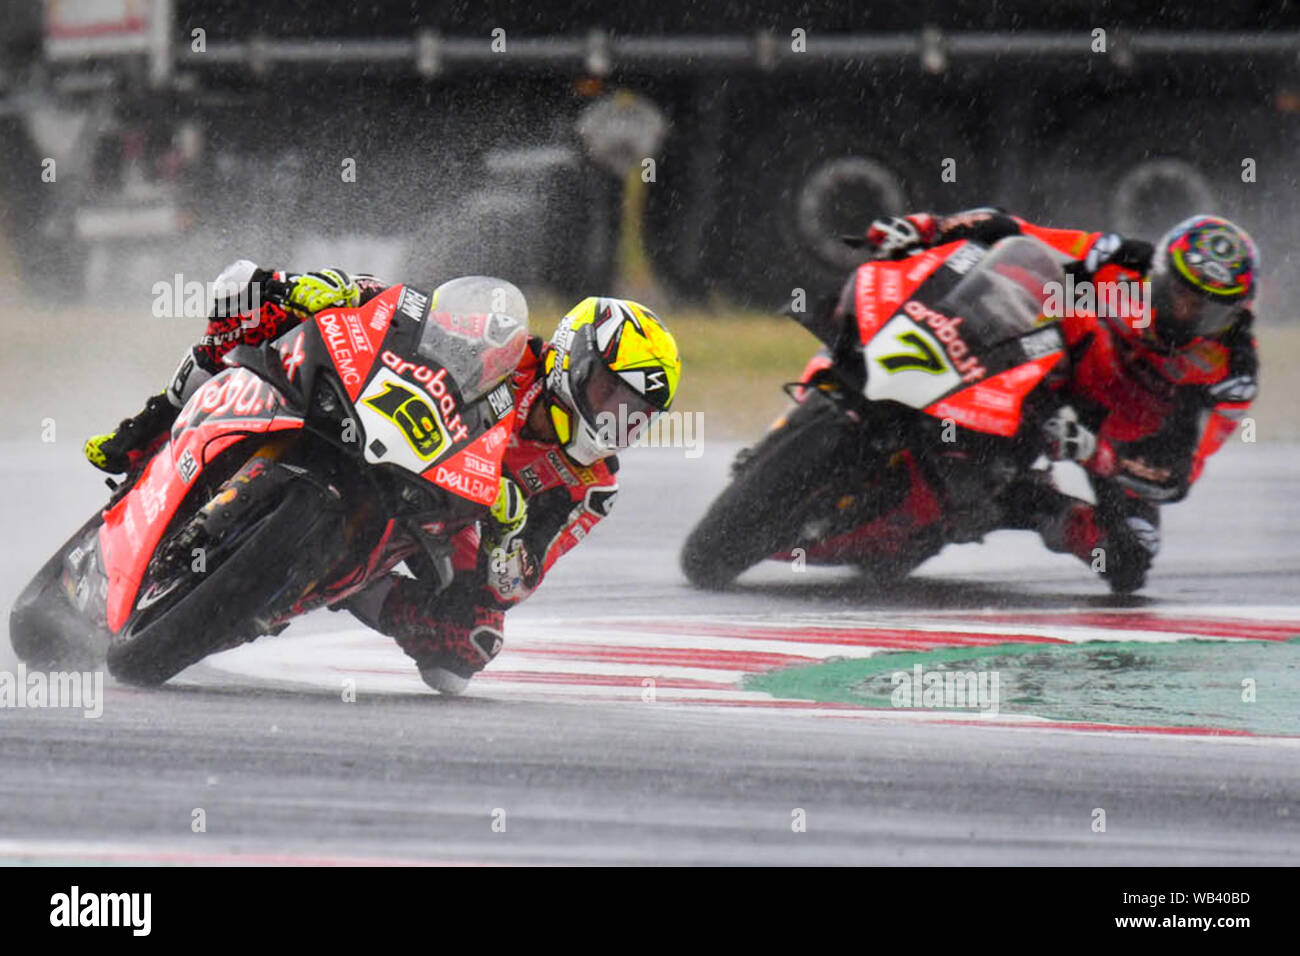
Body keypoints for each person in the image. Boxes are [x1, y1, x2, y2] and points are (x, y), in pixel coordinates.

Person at [84, 260, 682, 690]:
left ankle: (335, 583)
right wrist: (340, 290)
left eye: (634, 413)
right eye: (610, 392)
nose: (614, 417)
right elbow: (414, 313)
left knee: (469, 648)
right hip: (383, 426)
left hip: (439, 523)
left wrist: (507, 529)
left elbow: (519, 581)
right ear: (575, 355)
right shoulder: (513, 351)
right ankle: (152, 421)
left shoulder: (589, 484)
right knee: (254, 298)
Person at [859, 209, 1260, 592]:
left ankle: (1027, 503)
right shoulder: (1118, 260)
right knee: (1019, 274)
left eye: (1207, 311)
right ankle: (891, 358)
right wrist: (927, 227)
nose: (1186, 313)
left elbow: (1177, 475)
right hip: (1050, 372)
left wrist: (1099, 455)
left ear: (1233, 315)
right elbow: (1014, 229)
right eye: (1179, 294)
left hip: (1113, 441)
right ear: (1157, 272)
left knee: (1129, 558)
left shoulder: (1232, 371)